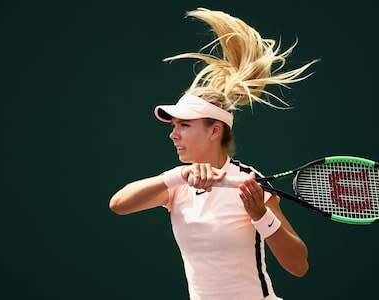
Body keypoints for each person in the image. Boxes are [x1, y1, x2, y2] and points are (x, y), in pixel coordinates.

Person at [109, 8, 317, 300]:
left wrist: (261, 215)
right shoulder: (177, 185)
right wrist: (181, 175)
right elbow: (118, 204)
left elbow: (298, 265)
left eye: (184, 125)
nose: (173, 134)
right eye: (173, 126)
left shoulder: (249, 182)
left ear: (214, 131)